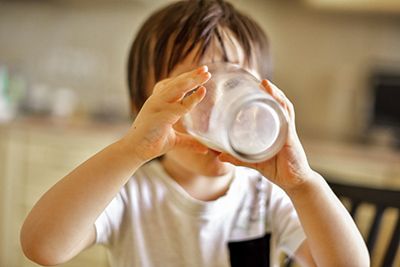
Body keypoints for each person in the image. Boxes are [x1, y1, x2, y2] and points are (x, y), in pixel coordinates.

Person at [20, 0, 370, 266]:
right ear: (142, 109)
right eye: (192, 91)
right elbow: (42, 246)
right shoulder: (130, 196)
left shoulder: (267, 198)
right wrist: (129, 150)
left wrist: (303, 184)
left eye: (234, 85)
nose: (217, 109)